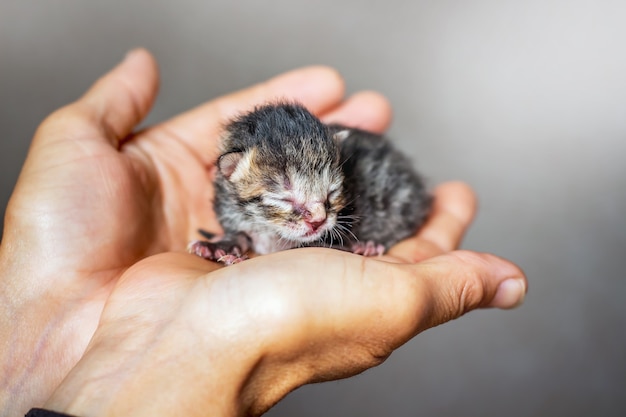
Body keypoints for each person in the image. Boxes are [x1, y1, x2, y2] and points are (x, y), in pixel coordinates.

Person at [0, 49, 526, 417]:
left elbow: (329, 213)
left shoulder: (325, 202)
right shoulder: (232, 188)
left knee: (380, 204)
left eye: (327, 197)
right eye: (289, 204)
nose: (316, 219)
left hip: (387, 208)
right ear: (232, 175)